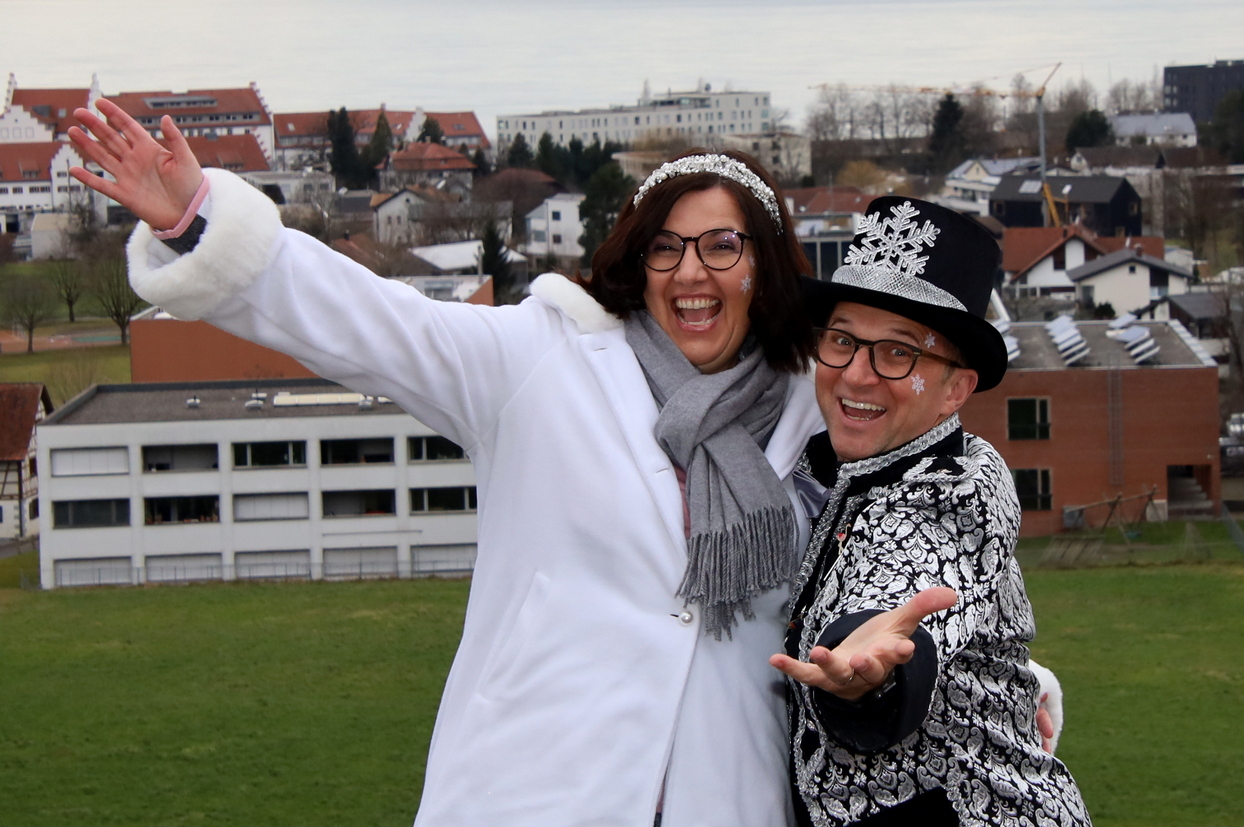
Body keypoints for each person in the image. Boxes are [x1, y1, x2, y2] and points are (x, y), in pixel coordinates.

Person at [65, 98, 912, 826]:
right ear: (639, 259)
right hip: (534, 788)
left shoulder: (817, 402)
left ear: (764, 262)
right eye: (666, 246)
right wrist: (196, 221)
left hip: (728, 795)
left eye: (723, 245)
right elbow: (371, 321)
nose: (691, 272)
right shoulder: (540, 360)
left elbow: (921, 508)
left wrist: (909, 668)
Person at [769, 197, 1091, 827]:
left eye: (898, 353)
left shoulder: (959, 489)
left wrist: (868, 672)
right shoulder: (819, 463)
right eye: (842, 340)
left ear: (955, 390)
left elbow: (907, 584)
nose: (856, 375)